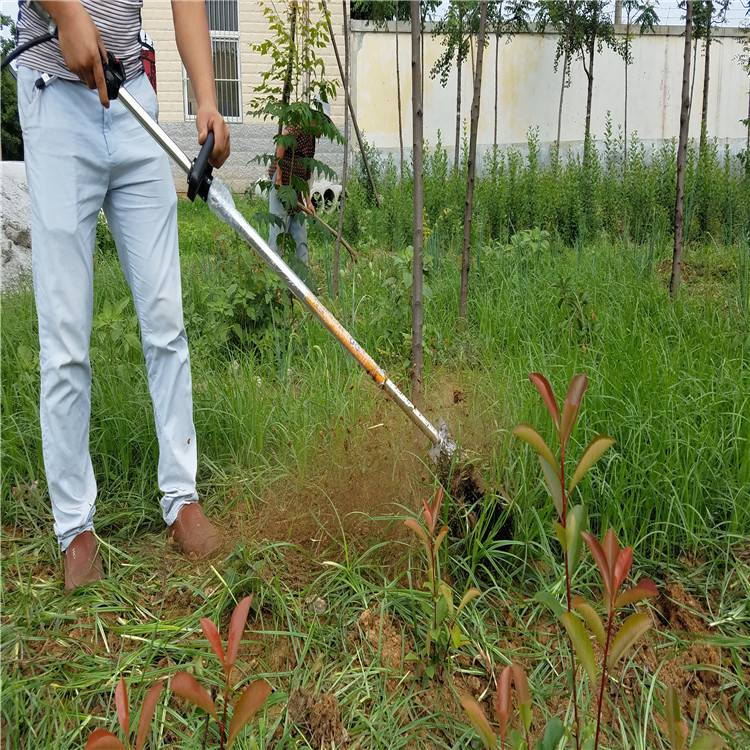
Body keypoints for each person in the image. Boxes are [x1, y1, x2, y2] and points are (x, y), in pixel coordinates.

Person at [14, 0, 231, 591]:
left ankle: (181, 498)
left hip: (133, 96)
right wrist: (64, 13)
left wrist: (208, 101)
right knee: (65, 335)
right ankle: (74, 527)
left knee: (166, 318)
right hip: (54, 96)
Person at [267, 99, 332, 267]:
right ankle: (275, 281)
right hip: (281, 185)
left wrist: (308, 201)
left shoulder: (311, 140)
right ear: (316, 118)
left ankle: (303, 284)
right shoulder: (298, 125)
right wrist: (280, 177)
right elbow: (282, 142)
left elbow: (306, 172)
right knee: (278, 232)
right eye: (323, 125)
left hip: (296, 189)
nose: (324, 131)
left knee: (300, 238)